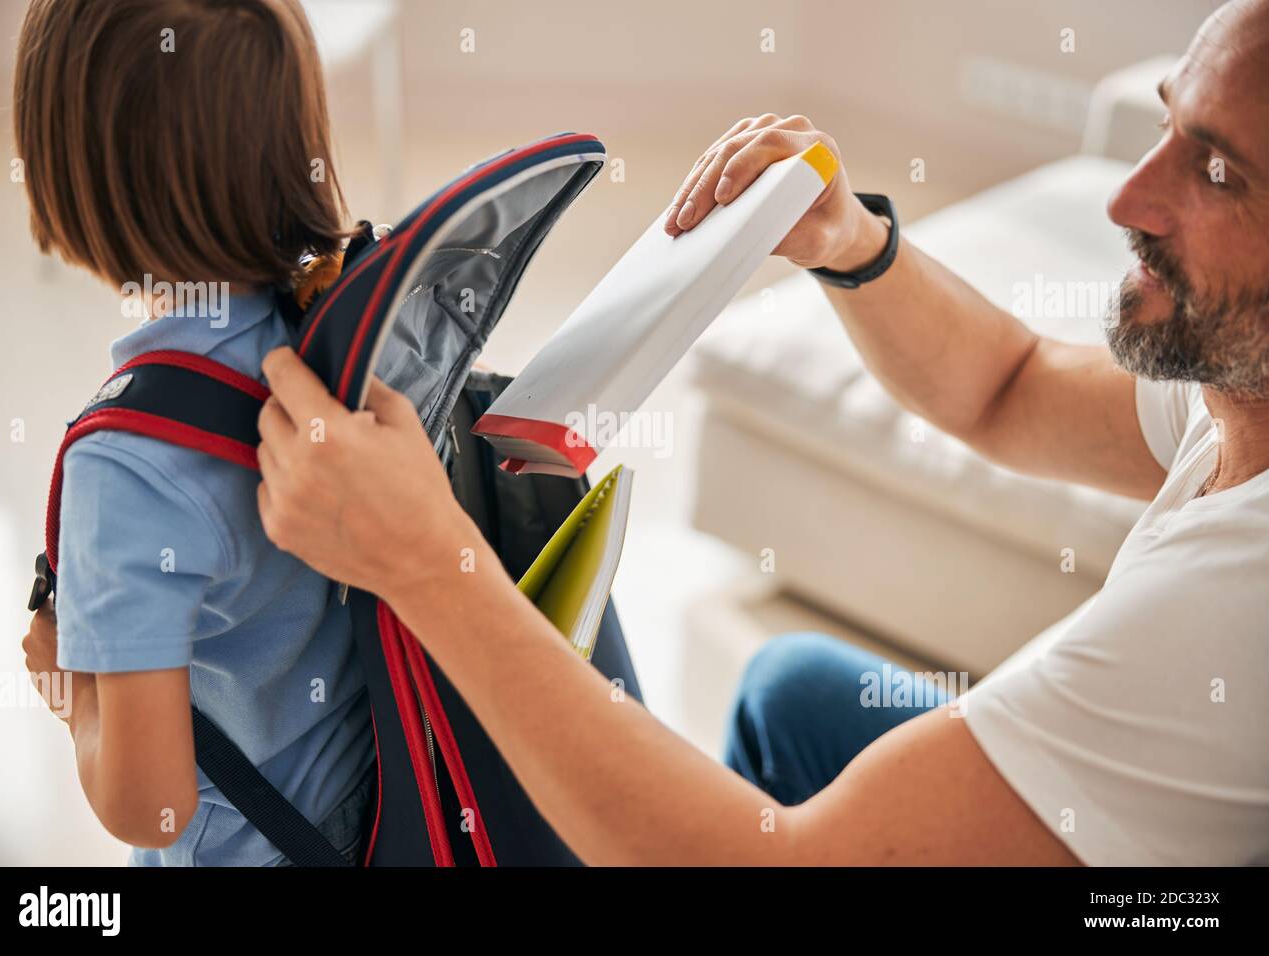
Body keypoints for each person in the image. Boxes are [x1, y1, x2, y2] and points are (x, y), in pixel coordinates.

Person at [251, 0, 1269, 864]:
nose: (1126, 197)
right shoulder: (1237, 387)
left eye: (1217, 173)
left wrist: (429, 565)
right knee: (790, 690)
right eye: (1166, 125)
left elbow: (777, 860)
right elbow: (1011, 384)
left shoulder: (1230, 604)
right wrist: (853, 245)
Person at [17, 0, 373, 864]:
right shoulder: (338, 324)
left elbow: (152, 810)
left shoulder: (128, 473)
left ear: (78, 172)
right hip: (372, 802)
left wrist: (71, 692)